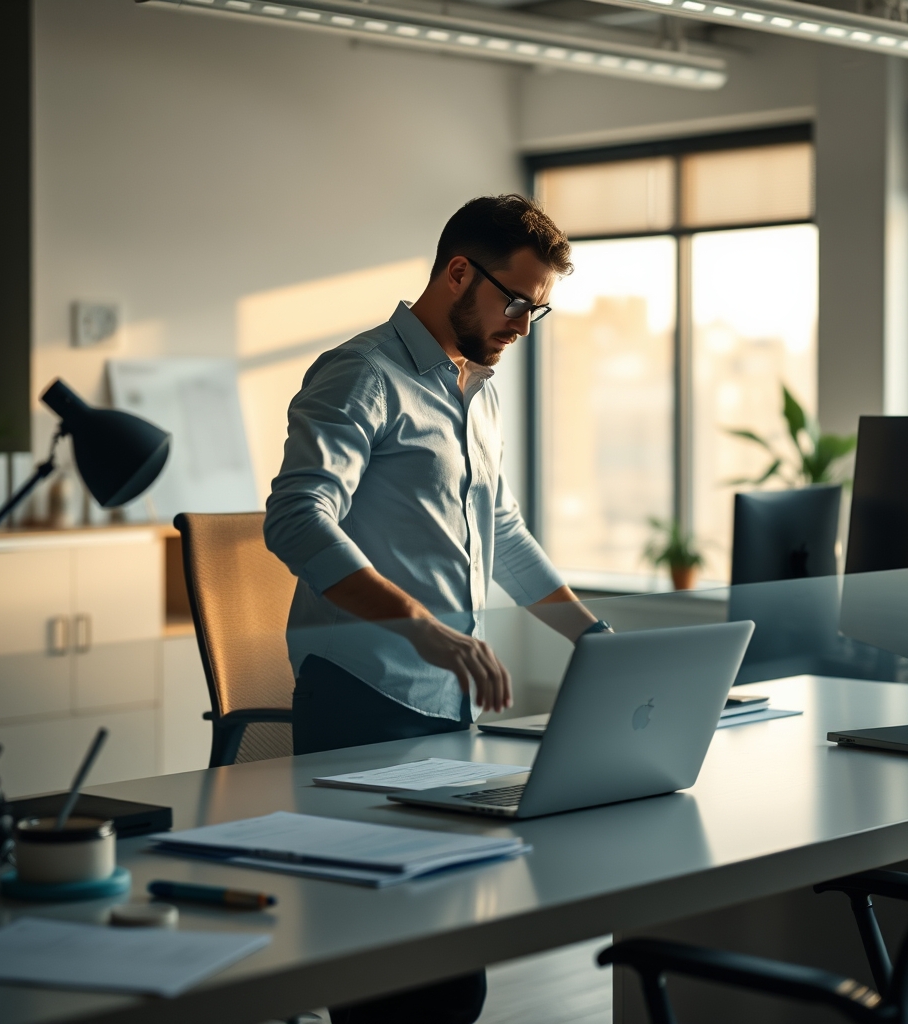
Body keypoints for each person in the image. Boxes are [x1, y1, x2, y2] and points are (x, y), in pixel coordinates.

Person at [264, 194, 611, 1024]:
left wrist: (594, 639)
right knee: (388, 974)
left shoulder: (475, 387)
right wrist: (421, 628)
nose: (524, 325)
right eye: (516, 302)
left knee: (453, 964)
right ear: (459, 270)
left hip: (447, 713)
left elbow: (501, 530)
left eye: (541, 311)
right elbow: (297, 518)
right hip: (365, 701)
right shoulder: (362, 374)